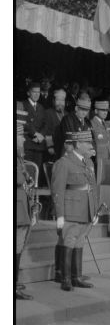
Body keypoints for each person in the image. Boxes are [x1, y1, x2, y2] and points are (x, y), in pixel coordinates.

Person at [51, 130, 99, 292]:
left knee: (79, 242)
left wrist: (95, 210)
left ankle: (76, 277)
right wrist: (60, 215)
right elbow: (58, 190)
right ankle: (65, 278)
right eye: (88, 143)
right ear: (78, 144)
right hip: (71, 209)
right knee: (69, 241)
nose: (91, 146)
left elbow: (93, 188)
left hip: (86, 208)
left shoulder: (89, 163)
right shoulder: (64, 162)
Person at [16, 108, 34, 300]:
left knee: (18, 247)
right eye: (20, 138)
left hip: (22, 206)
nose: (23, 141)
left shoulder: (19, 157)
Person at [22, 82, 48, 186]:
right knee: (27, 173)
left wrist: (41, 135)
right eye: (34, 92)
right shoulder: (22, 105)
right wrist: (35, 134)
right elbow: (24, 122)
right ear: (28, 93)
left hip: (39, 145)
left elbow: (45, 124)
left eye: (38, 92)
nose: (37, 94)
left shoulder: (41, 107)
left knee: (37, 174)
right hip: (28, 143)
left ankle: (35, 200)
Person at [44, 88, 67, 162]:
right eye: (58, 100)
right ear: (53, 101)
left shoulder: (67, 114)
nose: (60, 103)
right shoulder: (48, 113)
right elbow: (47, 131)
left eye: (62, 100)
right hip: (53, 149)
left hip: (65, 149)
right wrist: (50, 146)